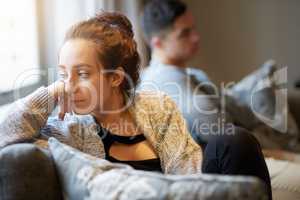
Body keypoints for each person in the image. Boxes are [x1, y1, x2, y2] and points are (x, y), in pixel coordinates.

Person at [0, 11, 271, 199]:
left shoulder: (157, 107)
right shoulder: (62, 125)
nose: (68, 86)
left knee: (236, 141)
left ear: (116, 78)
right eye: (62, 74)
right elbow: (4, 136)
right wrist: (50, 92)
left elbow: (188, 173)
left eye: (81, 74)